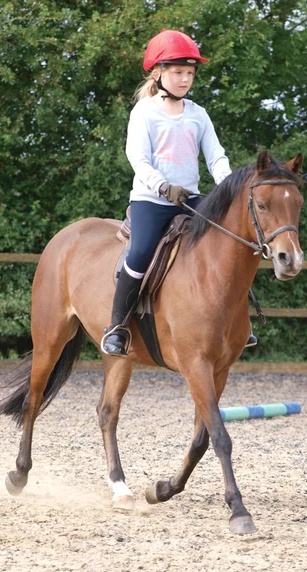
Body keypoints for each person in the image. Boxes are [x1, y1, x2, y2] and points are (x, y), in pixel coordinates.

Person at [102, 29, 257, 356]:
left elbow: (216, 156)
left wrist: (229, 185)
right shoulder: (144, 112)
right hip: (150, 200)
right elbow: (138, 158)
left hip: (190, 200)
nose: (185, 79)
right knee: (141, 251)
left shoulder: (198, 114)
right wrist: (162, 186)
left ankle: (240, 324)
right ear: (158, 74)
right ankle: (117, 326)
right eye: (178, 72)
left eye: (190, 73)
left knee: (230, 246)